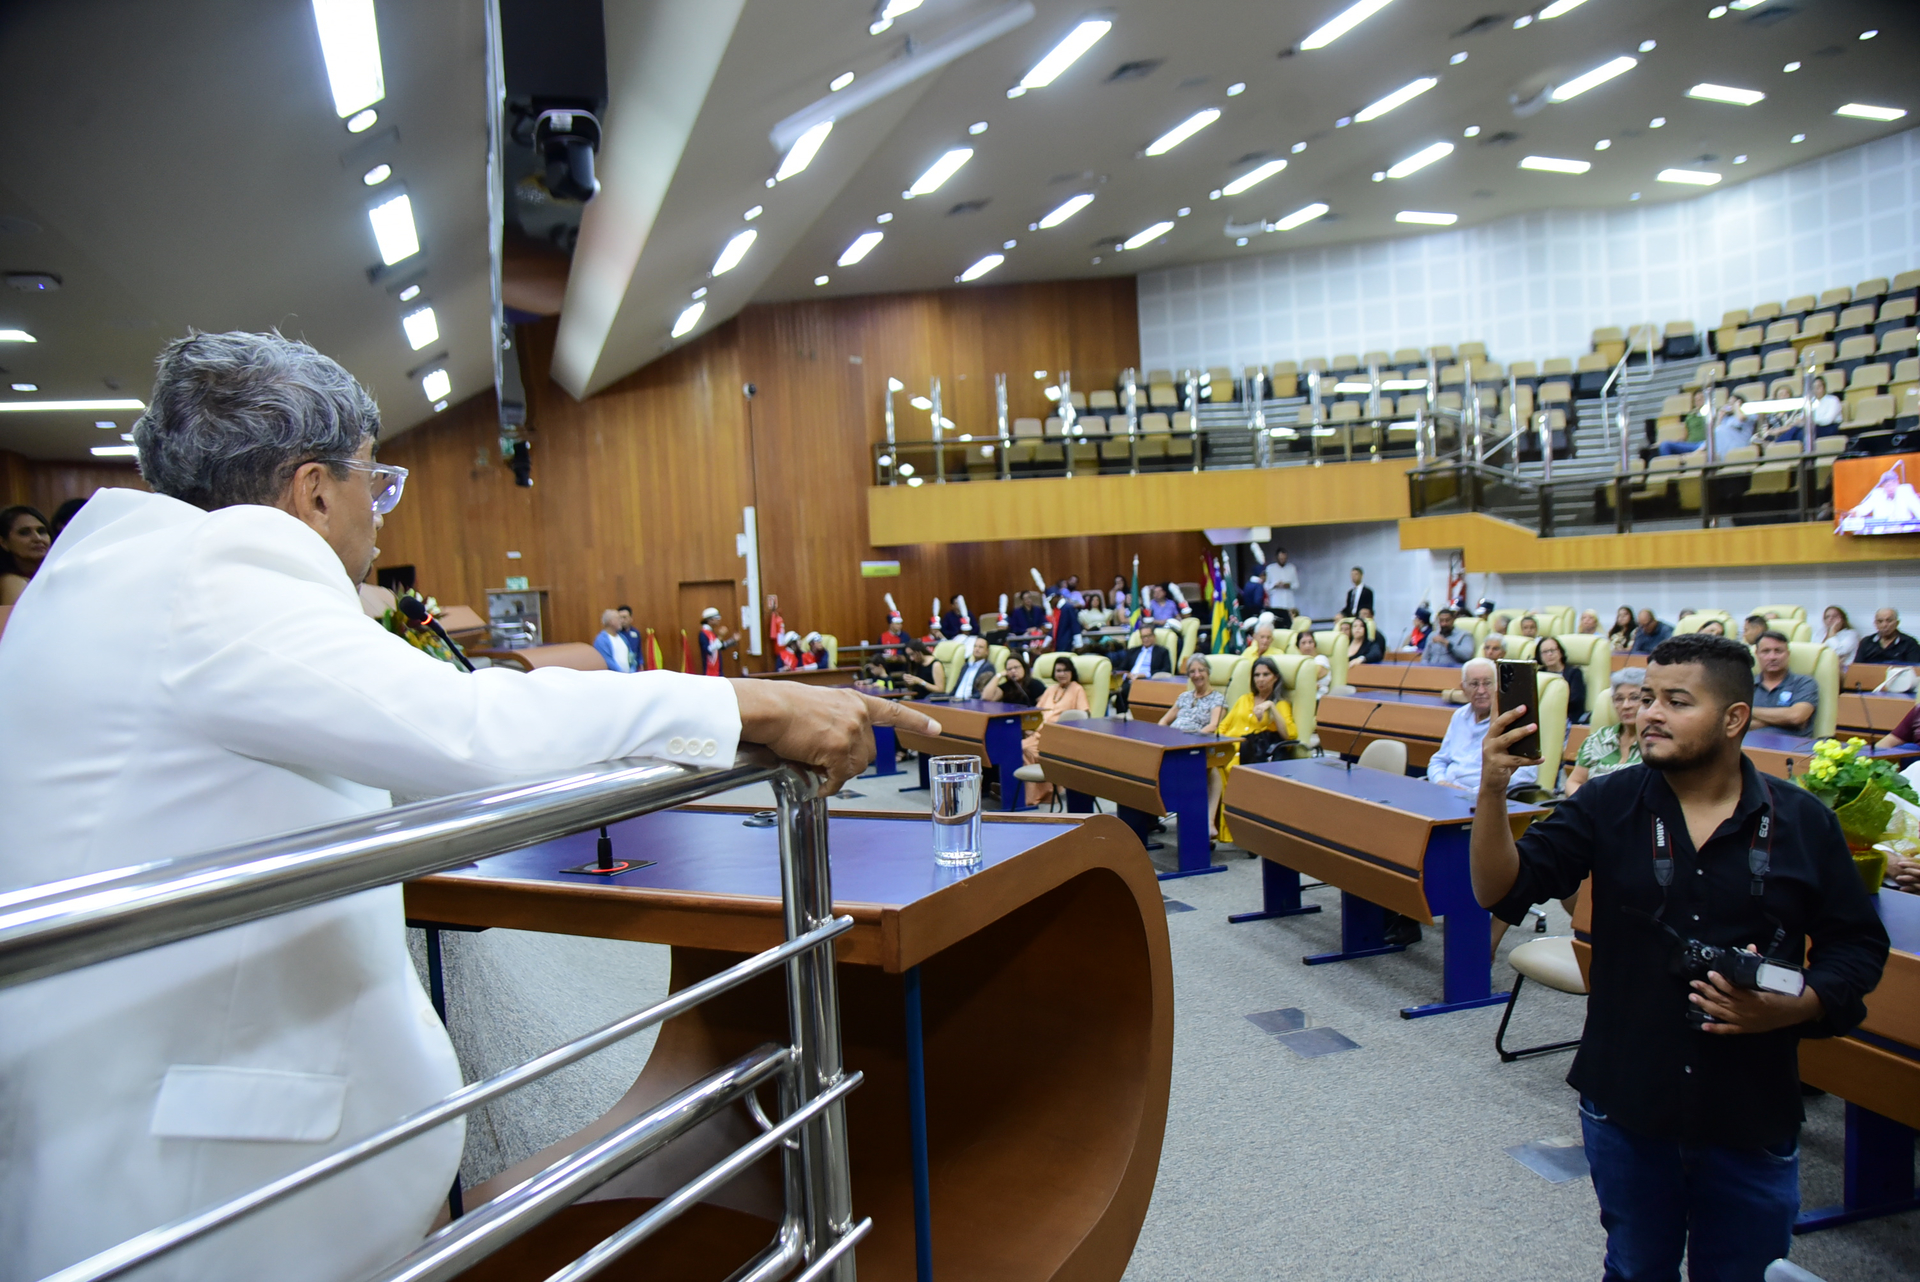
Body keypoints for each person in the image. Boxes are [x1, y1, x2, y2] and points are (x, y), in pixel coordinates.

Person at [0, 329, 940, 1282]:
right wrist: (753, 703)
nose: (380, 520)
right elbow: (467, 729)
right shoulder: (218, 568)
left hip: (116, 1131)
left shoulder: (110, 578)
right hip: (196, 1185)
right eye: (376, 484)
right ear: (314, 490)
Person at [1469, 633, 1887, 1281]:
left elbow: (1857, 947)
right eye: (1647, 698)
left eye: (1676, 701)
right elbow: (1500, 889)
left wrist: (1796, 1007)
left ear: (1734, 718)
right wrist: (1492, 791)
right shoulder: (1608, 802)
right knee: (1636, 1269)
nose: (1650, 714)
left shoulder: (1804, 822)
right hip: (1628, 1103)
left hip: (1750, 1110)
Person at [1215, 657, 1298, 843]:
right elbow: (1223, 727)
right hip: (1228, 748)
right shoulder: (1244, 700)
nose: (1260, 679)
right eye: (1257, 675)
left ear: (1275, 677)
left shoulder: (1280, 704)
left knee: (1225, 770)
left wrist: (1271, 707)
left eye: (1266, 674)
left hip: (1251, 755)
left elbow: (1289, 735)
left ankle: (1229, 831)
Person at [1427, 658, 1538, 793]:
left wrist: (1478, 793)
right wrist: (1440, 782)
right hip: (1446, 792)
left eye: (1487, 683)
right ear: (1463, 688)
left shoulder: (1512, 721)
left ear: (1497, 686)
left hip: (1483, 798)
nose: (1481, 690)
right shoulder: (1459, 715)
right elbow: (1439, 760)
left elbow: (1526, 774)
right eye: (1474, 684)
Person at [1161, 654, 1228, 837]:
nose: (1197, 675)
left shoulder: (1217, 699)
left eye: (1201, 670)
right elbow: (1164, 721)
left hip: (1199, 745)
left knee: (1211, 769)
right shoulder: (1184, 697)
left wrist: (1191, 740)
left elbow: (1213, 725)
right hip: (1173, 743)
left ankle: (1208, 822)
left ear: (1208, 672)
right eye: (1192, 671)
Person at [1021, 657, 1090, 804]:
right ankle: (1020, 795)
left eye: (1066, 670)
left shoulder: (1077, 689)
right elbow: (1037, 712)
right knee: (1015, 748)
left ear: (1072, 672)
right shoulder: (1051, 689)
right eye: (1058, 670)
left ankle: (1035, 797)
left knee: (1026, 750)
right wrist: (1029, 728)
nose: (1062, 674)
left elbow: (1084, 716)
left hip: (1058, 738)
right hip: (1038, 734)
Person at [1567, 668, 1646, 793]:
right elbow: (1574, 782)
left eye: (1634, 698)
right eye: (1619, 699)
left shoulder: (1656, 742)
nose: (1626, 705)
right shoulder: (1597, 739)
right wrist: (1584, 803)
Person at [1748, 632, 1817, 731]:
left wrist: (1748, 711)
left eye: (1778, 651)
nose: (1772, 657)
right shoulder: (1746, 683)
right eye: (1766, 651)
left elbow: (1796, 716)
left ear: (1788, 654)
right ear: (1757, 654)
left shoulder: (1804, 683)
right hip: (1749, 740)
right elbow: (1735, 722)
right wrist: (1783, 719)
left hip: (1789, 741)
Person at [1838, 460, 1920, 533]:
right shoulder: (1877, 494)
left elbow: (1918, 509)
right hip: (1882, 533)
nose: (1891, 487)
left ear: (1898, 482)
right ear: (1883, 486)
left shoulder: (1906, 490)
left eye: (1893, 483)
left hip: (1904, 532)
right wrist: (1854, 512)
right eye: (1887, 485)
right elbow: (1864, 508)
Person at [1115, 616, 1173, 713]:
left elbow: (1167, 670)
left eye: (1148, 636)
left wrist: (1145, 675)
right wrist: (1128, 675)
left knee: (1127, 690)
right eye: (1143, 637)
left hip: (1149, 682)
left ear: (1154, 636)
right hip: (1130, 681)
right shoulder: (1133, 651)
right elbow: (1122, 668)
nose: (1146, 639)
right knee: (1121, 691)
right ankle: (1121, 717)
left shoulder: (1162, 651)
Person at [0, 504, 50, 606]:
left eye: (41, 531)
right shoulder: (12, 582)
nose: (38, 538)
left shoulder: (56, 573)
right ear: (4, 543)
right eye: (24, 533)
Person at [1536, 635, 1586, 723]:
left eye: (1552, 650)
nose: (1549, 654)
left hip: (1567, 717)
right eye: (1545, 652)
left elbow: (1575, 701)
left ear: (1560, 652)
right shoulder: (1539, 674)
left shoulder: (1574, 673)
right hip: (1542, 716)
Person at [1263, 548, 1298, 626]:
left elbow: (1296, 585)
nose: (1283, 560)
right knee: (1278, 622)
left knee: (1290, 622)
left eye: (1284, 558)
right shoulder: (1270, 568)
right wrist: (1275, 585)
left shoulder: (1291, 568)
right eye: (1281, 558)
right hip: (1276, 601)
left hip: (1288, 600)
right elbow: (1266, 586)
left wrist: (1289, 585)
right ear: (1277, 557)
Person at [697, 606, 735, 676]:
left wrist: (732, 640)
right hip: (710, 672)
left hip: (717, 671)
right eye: (717, 618)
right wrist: (720, 637)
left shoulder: (711, 633)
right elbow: (709, 650)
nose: (719, 620)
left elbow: (720, 646)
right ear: (710, 620)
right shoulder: (703, 634)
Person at [1295, 628, 1331, 696]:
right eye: (1303, 643)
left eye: (1310, 642)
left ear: (1314, 645)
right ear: (1298, 646)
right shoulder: (1297, 661)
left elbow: (1312, 675)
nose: (1307, 646)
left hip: (1319, 698)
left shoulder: (1321, 659)